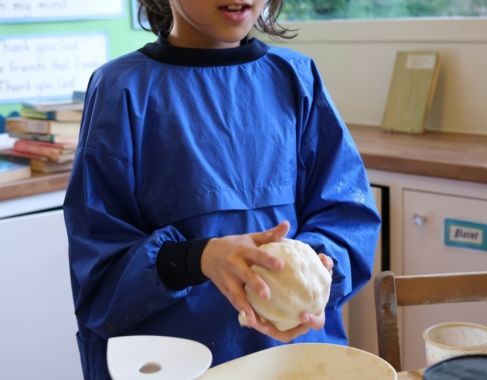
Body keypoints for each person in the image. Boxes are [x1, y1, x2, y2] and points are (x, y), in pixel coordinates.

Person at [63, 0, 381, 378]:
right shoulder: (122, 90)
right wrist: (198, 258)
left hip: (294, 359)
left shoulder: (296, 78)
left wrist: (318, 265)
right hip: (173, 363)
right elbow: (99, 271)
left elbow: (348, 218)